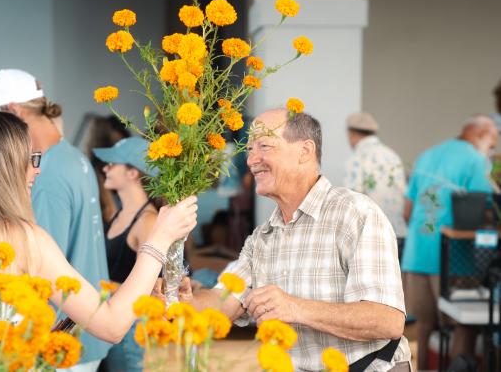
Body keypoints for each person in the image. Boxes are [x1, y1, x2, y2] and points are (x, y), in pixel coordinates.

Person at [0, 109, 197, 359]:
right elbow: (112, 326)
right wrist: (160, 238)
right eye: (30, 158)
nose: (37, 169)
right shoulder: (20, 237)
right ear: (4, 167)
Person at [154, 108, 411, 371]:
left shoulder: (356, 213)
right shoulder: (262, 238)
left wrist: (295, 308)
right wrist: (186, 302)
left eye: (263, 146)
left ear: (304, 152)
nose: (252, 160)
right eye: (250, 149)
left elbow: (387, 320)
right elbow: (223, 304)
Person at [0, 68, 110, 370]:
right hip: (85, 328)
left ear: (13, 111)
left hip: (60, 340)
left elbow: (36, 270)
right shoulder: (70, 156)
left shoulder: (43, 172)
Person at [402, 114, 497, 370]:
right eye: (493, 143)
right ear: (481, 134)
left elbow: (407, 212)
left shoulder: (427, 155)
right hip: (452, 259)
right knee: (463, 326)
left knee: (423, 327)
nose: (492, 149)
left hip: (415, 256)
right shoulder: (475, 160)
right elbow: (487, 211)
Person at [92, 137, 158, 372]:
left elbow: (151, 287)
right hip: (106, 322)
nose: (105, 168)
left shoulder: (148, 222)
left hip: (129, 329)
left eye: (112, 163)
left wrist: (103, 286)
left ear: (132, 173)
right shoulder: (117, 215)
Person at [344, 112, 407, 240]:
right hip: (398, 233)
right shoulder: (392, 156)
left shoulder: (357, 158)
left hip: (372, 235)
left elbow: (353, 199)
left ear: (351, 133)